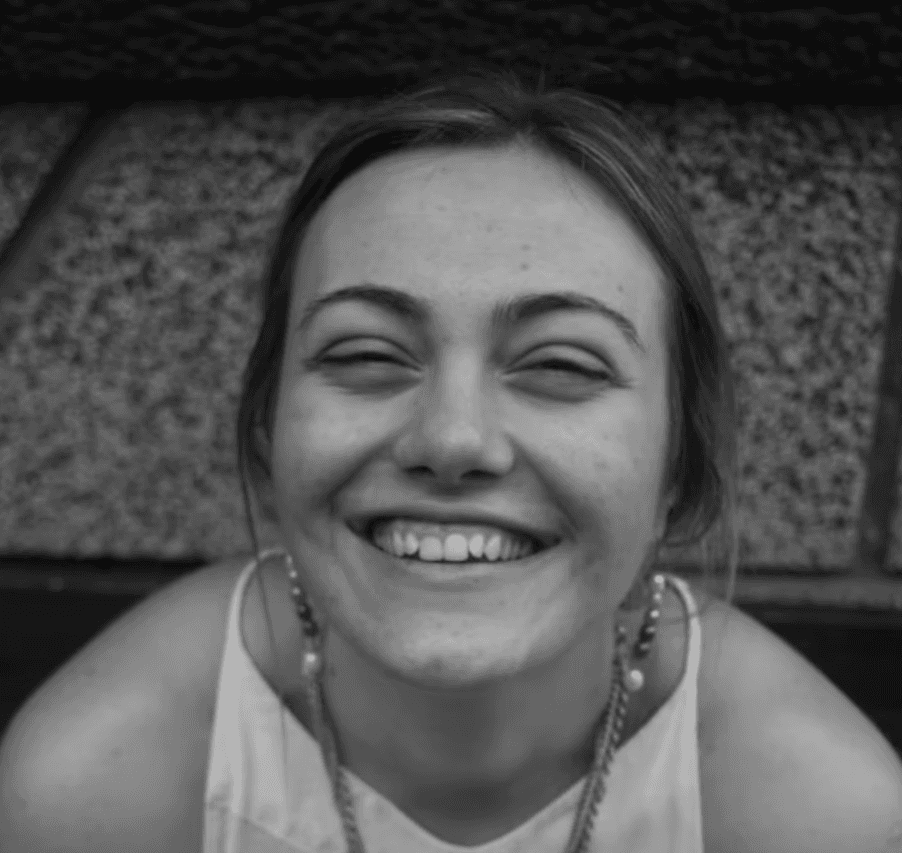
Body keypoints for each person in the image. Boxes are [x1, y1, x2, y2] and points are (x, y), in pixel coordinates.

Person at [2, 68, 902, 853]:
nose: (452, 439)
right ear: (269, 430)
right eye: (364, 355)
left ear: (679, 467)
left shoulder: (820, 813)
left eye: (560, 365)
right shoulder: (95, 785)